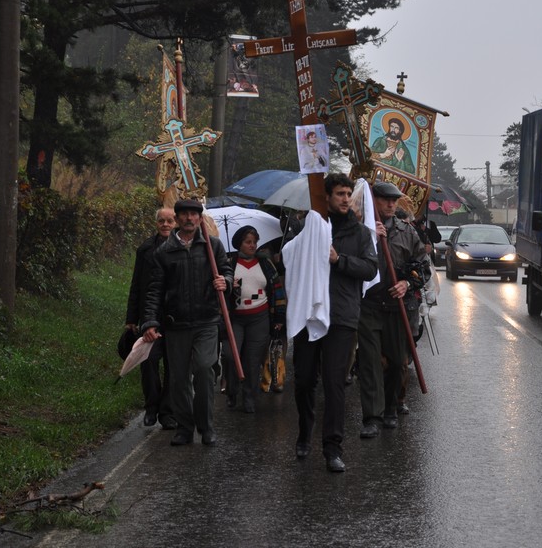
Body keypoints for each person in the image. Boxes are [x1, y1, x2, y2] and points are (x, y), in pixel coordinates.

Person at [288, 173, 377, 472]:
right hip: (309, 313)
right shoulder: (308, 228)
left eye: (348, 194)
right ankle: (304, 434)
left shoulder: (360, 234)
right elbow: (288, 259)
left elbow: (369, 269)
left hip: (341, 315)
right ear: (325, 197)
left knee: (334, 382)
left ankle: (332, 447)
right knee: (303, 380)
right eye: (339, 193)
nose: (345, 199)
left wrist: (340, 260)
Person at [141, 199, 233, 447]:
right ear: (178, 219)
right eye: (185, 215)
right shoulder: (164, 252)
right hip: (176, 325)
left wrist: (225, 280)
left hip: (206, 322)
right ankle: (184, 427)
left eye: (195, 214)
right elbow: (154, 290)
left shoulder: (212, 247)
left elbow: (227, 271)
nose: (190, 219)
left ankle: (206, 426)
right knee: (179, 379)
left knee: (204, 370)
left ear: (200, 219)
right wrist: (149, 321)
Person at [357, 182, 427, 438]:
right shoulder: (361, 231)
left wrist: (406, 283)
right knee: (371, 362)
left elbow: (423, 268)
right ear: (373, 200)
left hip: (399, 307)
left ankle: (390, 408)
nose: (390, 204)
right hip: (369, 305)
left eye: (394, 200)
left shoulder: (408, 233)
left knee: (398, 362)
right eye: (385, 199)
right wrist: (371, 240)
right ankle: (371, 417)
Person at [125, 207, 177, 429]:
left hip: (175, 317)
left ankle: (167, 412)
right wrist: (132, 317)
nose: (165, 225)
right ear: (156, 224)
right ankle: (151, 407)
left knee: (174, 367)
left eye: (170, 221)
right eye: (161, 221)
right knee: (148, 361)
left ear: (176, 224)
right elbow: (137, 284)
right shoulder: (145, 249)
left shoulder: (184, 249)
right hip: (150, 316)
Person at [224, 226, 286, 413]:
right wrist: (228, 285)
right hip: (235, 318)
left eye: (254, 242)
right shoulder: (229, 263)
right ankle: (232, 390)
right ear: (239, 244)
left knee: (252, 359)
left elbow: (277, 289)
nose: (252, 245)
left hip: (259, 318)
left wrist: (279, 317)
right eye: (248, 242)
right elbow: (218, 290)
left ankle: (249, 396)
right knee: (229, 355)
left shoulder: (265, 263)